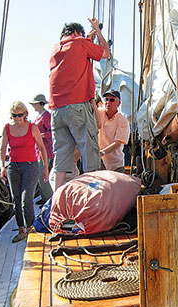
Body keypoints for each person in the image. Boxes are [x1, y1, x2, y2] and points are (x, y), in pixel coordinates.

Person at [49, 19, 110, 190]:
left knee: (61, 158)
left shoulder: (56, 49)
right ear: (77, 33)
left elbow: (74, 59)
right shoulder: (80, 43)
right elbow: (105, 52)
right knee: (89, 152)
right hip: (77, 106)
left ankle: (56, 199)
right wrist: (97, 31)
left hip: (56, 111)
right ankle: (93, 196)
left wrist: (86, 41)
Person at [0, 101, 49, 243]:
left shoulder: (32, 127)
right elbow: (3, 149)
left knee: (26, 199)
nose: (18, 118)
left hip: (30, 166)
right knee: (16, 199)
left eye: (20, 115)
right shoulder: (7, 128)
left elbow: (41, 148)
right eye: (15, 115)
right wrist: (3, 166)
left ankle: (31, 227)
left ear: (25, 114)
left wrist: (45, 168)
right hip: (13, 167)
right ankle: (22, 229)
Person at [92, 90, 130, 173]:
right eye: (106, 99)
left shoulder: (122, 121)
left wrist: (102, 152)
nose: (108, 102)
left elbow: (118, 143)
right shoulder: (99, 114)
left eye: (112, 100)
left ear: (118, 103)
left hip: (115, 165)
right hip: (98, 163)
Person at [30, 94, 53, 205]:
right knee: (40, 175)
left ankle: (49, 199)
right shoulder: (39, 116)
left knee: (43, 174)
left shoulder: (46, 116)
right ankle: (45, 197)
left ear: (40, 104)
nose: (33, 106)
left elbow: (52, 132)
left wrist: (41, 135)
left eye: (34, 104)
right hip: (38, 150)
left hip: (45, 150)